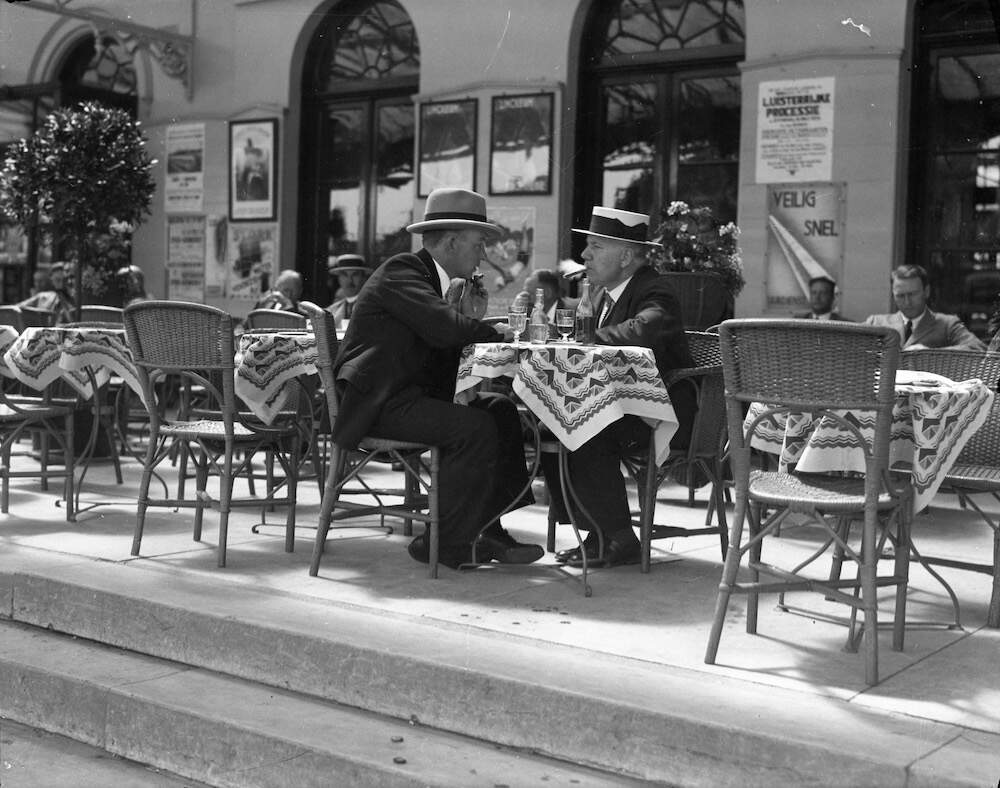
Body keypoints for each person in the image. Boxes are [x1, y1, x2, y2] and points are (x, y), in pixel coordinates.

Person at [330, 187, 543, 569]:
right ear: (451, 242)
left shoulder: (431, 281)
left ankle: (488, 529)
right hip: (378, 405)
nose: (483, 254)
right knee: (474, 427)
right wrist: (490, 331)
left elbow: (441, 336)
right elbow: (445, 329)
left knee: (500, 411)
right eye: (478, 244)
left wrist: (471, 320)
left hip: (405, 397)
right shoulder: (402, 271)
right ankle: (446, 543)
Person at [547, 206, 697, 569]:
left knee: (583, 422)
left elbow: (643, 329)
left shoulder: (655, 289)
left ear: (627, 257)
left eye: (596, 247)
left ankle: (617, 537)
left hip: (661, 415)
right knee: (549, 416)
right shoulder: (603, 294)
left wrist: (586, 339)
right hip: (622, 408)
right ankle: (596, 530)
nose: (584, 255)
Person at [863, 264, 985, 351]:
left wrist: (930, 354)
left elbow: (978, 348)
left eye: (912, 294)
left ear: (926, 292)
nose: (907, 302)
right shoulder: (876, 323)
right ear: (892, 295)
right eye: (900, 296)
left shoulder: (947, 324)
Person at [326, 254, 370, 325]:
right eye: (345, 275)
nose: (350, 280)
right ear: (339, 279)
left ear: (363, 278)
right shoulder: (331, 311)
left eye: (355, 274)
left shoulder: (371, 308)